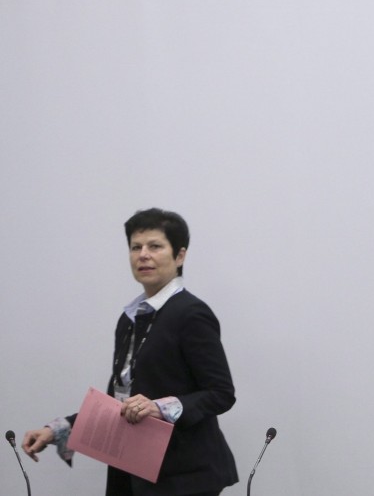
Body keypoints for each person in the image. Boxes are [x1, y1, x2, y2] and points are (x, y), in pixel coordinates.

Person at [22, 208, 238, 496]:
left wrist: (159, 407)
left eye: (155, 246)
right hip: (132, 469)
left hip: (183, 477)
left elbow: (220, 393)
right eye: (136, 247)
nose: (143, 255)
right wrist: (59, 429)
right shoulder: (130, 318)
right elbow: (118, 401)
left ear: (180, 256)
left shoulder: (192, 314)